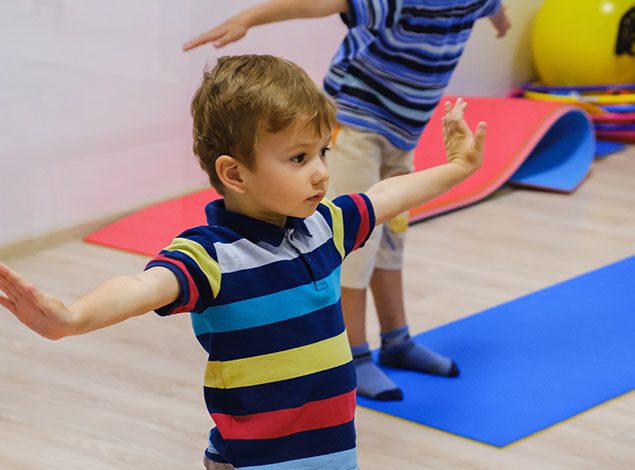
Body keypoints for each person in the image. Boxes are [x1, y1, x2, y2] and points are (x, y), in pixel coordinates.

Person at [0, 54, 485, 469]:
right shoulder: (212, 255)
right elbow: (141, 286)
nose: (320, 172)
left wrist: (458, 166)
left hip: (332, 450)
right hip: (252, 458)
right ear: (234, 173)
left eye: (322, 152)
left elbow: (387, 195)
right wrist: (73, 318)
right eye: (298, 158)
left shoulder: (325, 228)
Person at [182, 0, 510, 401]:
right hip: (357, 119)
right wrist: (247, 18)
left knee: (392, 234)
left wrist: (500, 17)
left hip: (403, 130)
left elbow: (492, 7)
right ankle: (355, 353)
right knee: (352, 237)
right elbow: (319, 3)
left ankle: (397, 339)